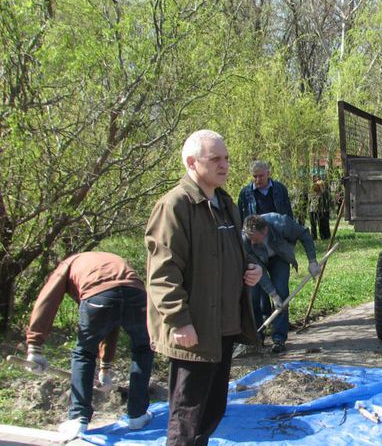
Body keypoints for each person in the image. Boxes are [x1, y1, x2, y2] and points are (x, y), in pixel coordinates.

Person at [145, 129, 262, 445]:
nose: (224, 165)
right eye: (215, 159)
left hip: (222, 327)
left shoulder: (225, 203)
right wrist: (180, 321)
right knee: (188, 417)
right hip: (193, 330)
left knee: (212, 411)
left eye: (226, 158)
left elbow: (230, 254)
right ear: (191, 162)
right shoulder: (175, 206)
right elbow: (162, 273)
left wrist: (250, 269)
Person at [24, 252, 154, 438]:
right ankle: (138, 415)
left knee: (83, 352)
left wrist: (34, 346)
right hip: (137, 294)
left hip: (99, 296)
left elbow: (47, 301)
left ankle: (78, 418)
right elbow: (112, 320)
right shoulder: (108, 261)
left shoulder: (67, 266)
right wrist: (104, 368)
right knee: (143, 349)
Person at [241, 213, 320, 355]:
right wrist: (272, 294)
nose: (251, 242)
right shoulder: (246, 239)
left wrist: (312, 261)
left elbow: (304, 234)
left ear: (264, 231)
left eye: (254, 238)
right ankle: (256, 338)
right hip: (258, 262)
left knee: (282, 294)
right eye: (249, 238)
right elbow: (257, 270)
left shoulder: (281, 223)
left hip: (280, 258)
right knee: (253, 296)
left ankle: (279, 339)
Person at [309, 175, 332, 240]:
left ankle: (324, 236)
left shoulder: (324, 193)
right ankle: (315, 237)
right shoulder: (312, 192)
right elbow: (311, 201)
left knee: (322, 224)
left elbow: (326, 201)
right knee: (315, 225)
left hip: (321, 210)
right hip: (314, 210)